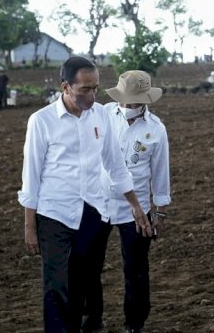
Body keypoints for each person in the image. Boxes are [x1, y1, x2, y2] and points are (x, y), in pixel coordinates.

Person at [18, 56, 153, 333]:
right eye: (85, 89)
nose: (92, 95)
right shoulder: (41, 121)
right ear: (65, 87)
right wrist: (30, 225)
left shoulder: (102, 115)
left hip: (92, 211)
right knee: (56, 285)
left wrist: (136, 206)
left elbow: (115, 164)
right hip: (53, 213)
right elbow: (30, 176)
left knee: (80, 282)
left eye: (95, 88)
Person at [82, 70, 171, 333]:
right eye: (128, 99)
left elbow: (160, 171)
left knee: (135, 269)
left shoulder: (155, 129)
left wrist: (160, 211)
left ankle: (135, 323)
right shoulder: (101, 115)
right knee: (88, 263)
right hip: (97, 202)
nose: (131, 105)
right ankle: (92, 318)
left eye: (137, 100)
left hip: (138, 208)